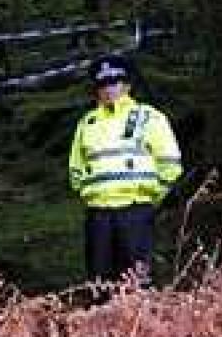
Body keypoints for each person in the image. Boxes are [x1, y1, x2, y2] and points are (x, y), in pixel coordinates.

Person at [68, 53, 183, 285]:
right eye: (102, 84)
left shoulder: (148, 117)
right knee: (99, 282)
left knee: (137, 280)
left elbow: (171, 164)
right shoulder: (87, 123)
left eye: (114, 82)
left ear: (127, 85)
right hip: (98, 214)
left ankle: (140, 321)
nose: (109, 89)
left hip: (135, 211)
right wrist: (86, 194)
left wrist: (151, 198)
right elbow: (75, 168)